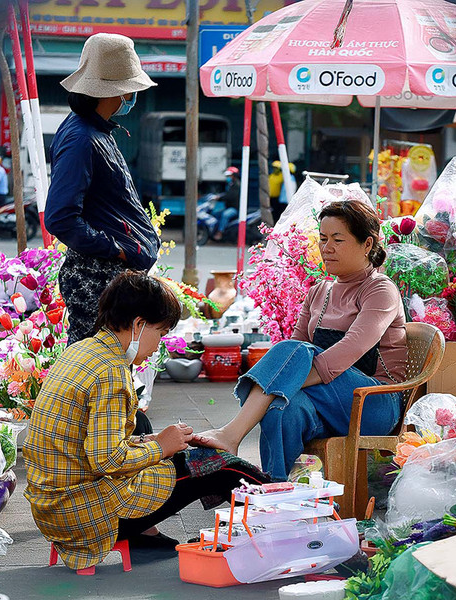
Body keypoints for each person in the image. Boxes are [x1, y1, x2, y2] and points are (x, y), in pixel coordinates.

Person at [24, 272, 268, 570]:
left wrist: (157, 441)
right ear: (138, 324)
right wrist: (163, 447)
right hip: (84, 513)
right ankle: (290, 519)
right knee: (226, 466)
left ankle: (146, 535)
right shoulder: (110, 372)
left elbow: (94, 442)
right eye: (160, 333)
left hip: (52, 507)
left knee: (143, 426)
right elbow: (106, 459)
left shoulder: (81, 350)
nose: (158, 346)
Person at [196, 200, 408, 481]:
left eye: (337, 239)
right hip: (327, 401)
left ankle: (231, 434)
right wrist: (283, 385)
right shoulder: (319, 292)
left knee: (291, 358)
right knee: (282, 408)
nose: (326, 247)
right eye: (322, 239)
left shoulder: (381, 290)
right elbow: (294, 350)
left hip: (374, 402)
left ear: (367, 245)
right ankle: (275, 491)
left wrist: (287, 380)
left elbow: (350, 349)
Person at [44, 33, 160, 345]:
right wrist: (116, 249)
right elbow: (60, 218)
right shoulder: (81, 138)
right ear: (117, 91)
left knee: (107, 371)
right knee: (98, 371)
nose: (133, 95)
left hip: (109, 277)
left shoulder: (96, 130)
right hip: (96, 277)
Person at [212, 166, 241, 241]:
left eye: (229, 176)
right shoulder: (230, 184)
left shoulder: (237, 185)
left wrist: (220, 198)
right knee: (215, 213)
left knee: (225, 215)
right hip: (228, 207)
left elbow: (230, 196)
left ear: (234, 175)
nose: (228, 177)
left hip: (235, 208)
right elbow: (226, 194)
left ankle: (220, 232)